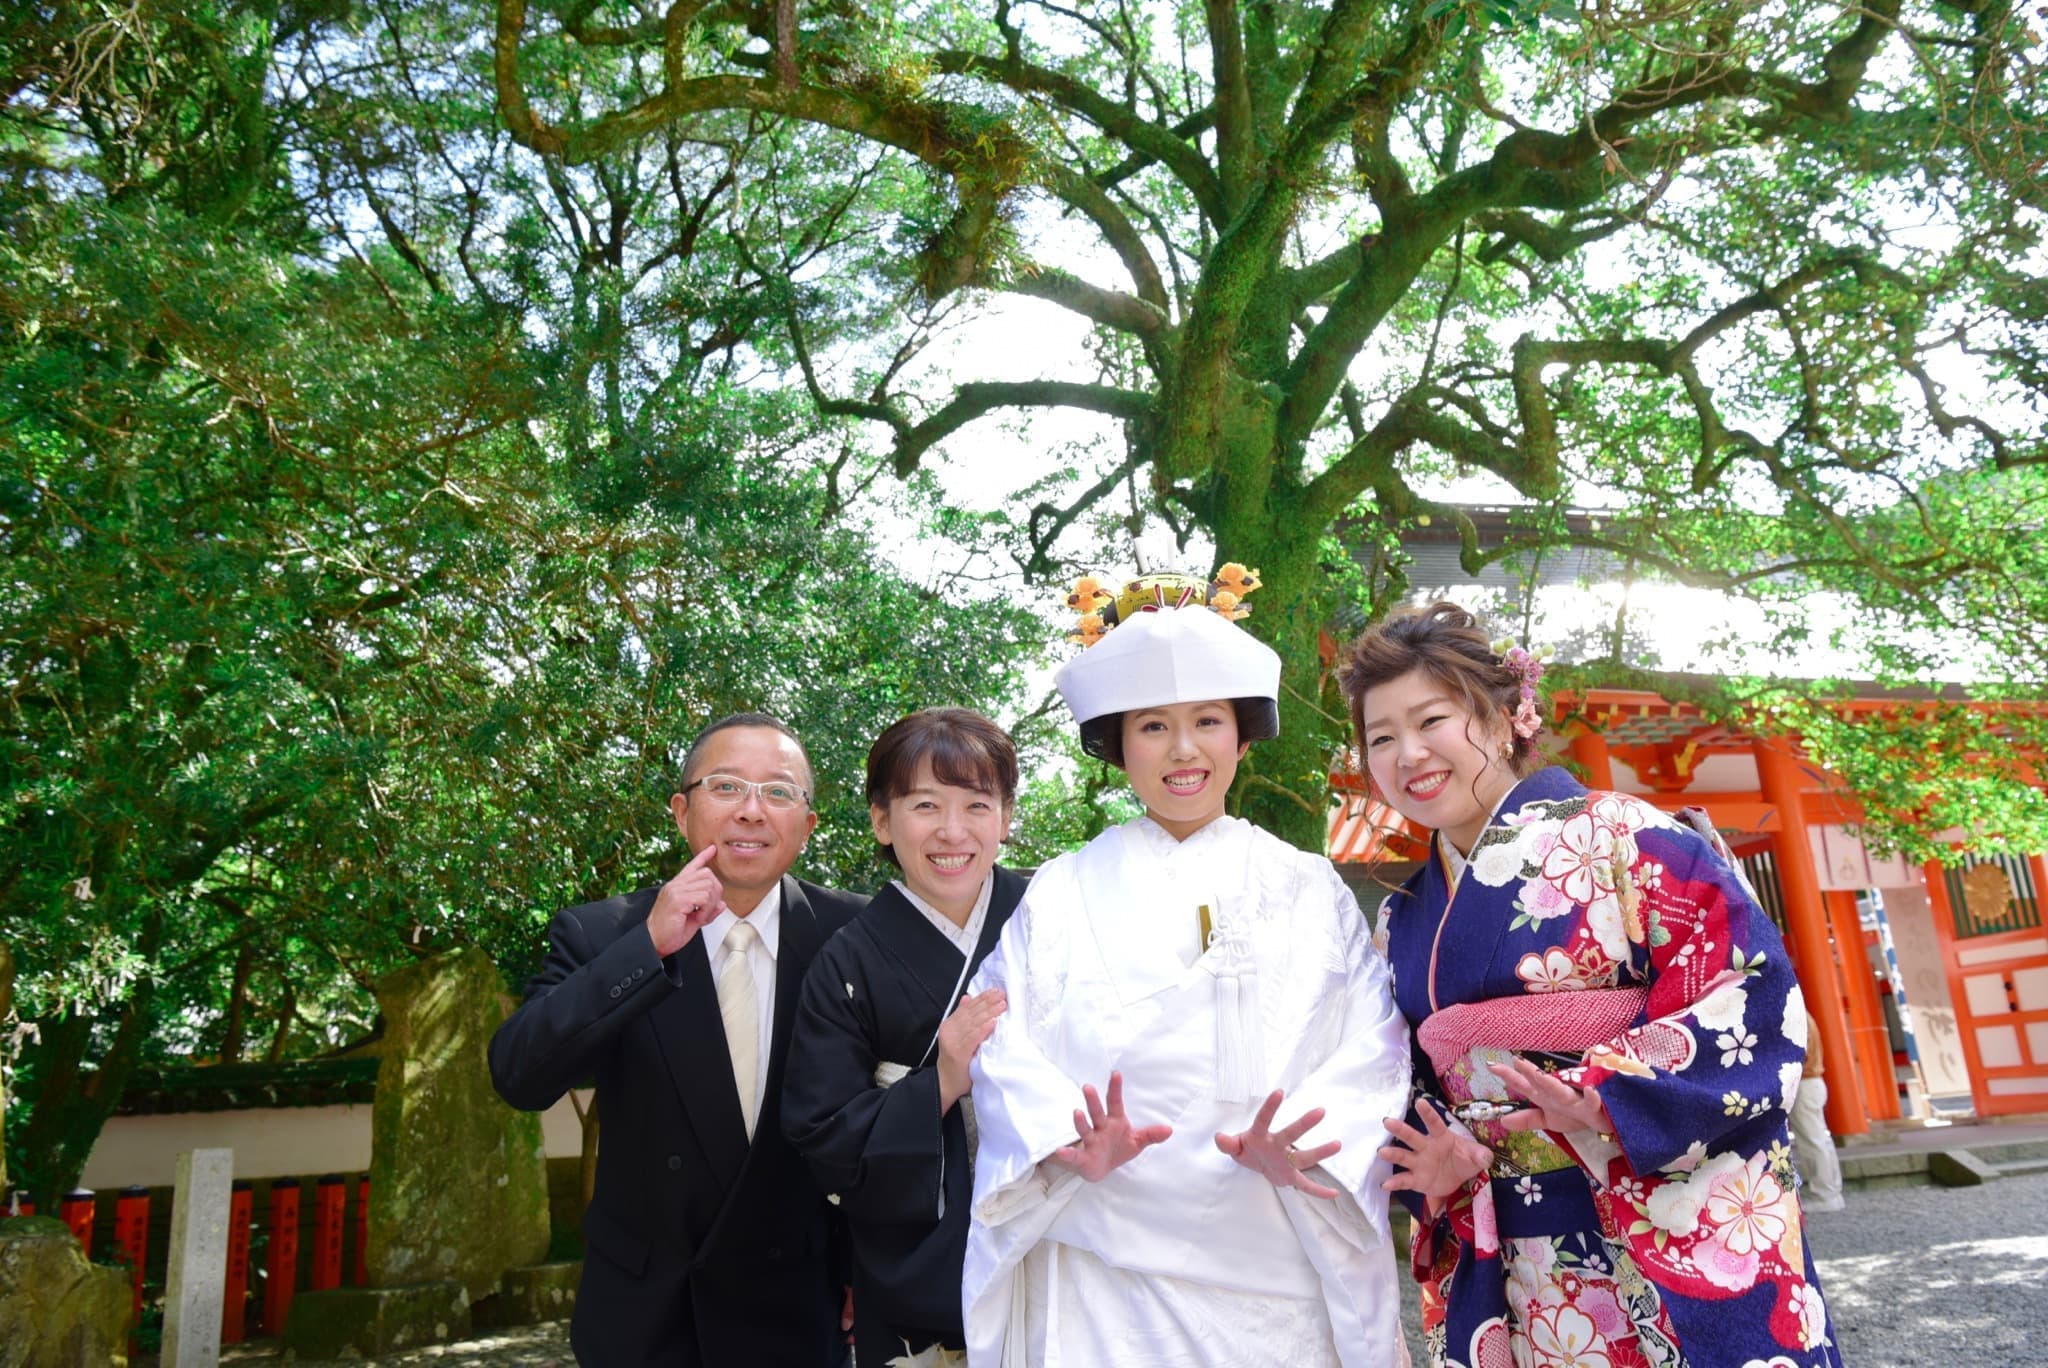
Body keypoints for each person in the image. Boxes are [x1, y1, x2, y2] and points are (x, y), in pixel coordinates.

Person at [1336, 602, 1844, 1368]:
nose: (1408, 753)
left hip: (1653, 1210)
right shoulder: (1402, 917)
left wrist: (1612, 1095)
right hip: (1512, 1254)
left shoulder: (1628, 836)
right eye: (1381, 738)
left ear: (1509, 717)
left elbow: (1749, 993)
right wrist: (1432, 1158)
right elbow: (1398, 1079)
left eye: (1432, 720)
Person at [962, 572, 1412, 1367]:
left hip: (1272, 1254)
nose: (1182, 750)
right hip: (1102, 1257)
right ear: (1117, 746)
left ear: (1242, 738)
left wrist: (1318, 1144)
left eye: (1207, 720)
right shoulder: (1060, 889)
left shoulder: (1309, 887)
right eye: (1152, 726)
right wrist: (1061, 1144)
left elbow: (1374, 1042)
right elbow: (1001, 1038)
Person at [488, 713, 865, 1367]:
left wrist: (869, 1263)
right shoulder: (603, 935)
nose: (752, 811)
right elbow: (519, 1076)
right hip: (649, 1316)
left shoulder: (856, 935)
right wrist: (648, 947)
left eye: (778, 792)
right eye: (726, 787)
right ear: (681, 811)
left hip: (801, 1308)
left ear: (806, 827)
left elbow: (883, 1121)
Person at [783, 708, 1030, 1367]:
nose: (953, 831)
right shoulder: (848, 960)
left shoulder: (1050, 919)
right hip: (920, 1278)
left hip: (1058, 1253)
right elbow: (823, 1135)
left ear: (1006, 817)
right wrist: (944, 1079)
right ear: (883, 821)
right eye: (925, 805)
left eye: (977, 804)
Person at [1790, 1010, 1846, 1212]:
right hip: (1813, 1083)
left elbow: (1796, 1052)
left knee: (1812, 1142)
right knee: (1821, 1141)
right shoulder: (1806, 1015)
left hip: (1804, 1084)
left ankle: (1825, 1195)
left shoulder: (1797, 1016)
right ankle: (1832, 1192)